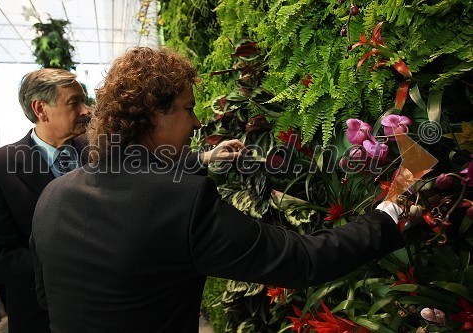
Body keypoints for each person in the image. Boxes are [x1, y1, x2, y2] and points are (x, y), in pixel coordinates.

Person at [30, 47, 404, 333]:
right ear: (151, 116)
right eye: (187, 108)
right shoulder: (184, 201)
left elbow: (46, 298)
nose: (195, 122)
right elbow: (303, 259)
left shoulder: (52, 196)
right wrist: (391, 213)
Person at [0, 68, 91, 333]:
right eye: (74, 102)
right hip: (42, 318)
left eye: (84, 101)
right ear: (40, 108)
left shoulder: (101, 152)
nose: (86, 110)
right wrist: (68, 262)